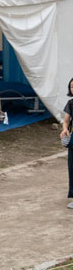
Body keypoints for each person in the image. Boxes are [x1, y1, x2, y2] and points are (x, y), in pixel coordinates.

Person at [62, 77, 73, 209]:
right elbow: (66, 121)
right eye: (71, 87)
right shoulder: (70, 104)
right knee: (72, 168)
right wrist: (65, 130)